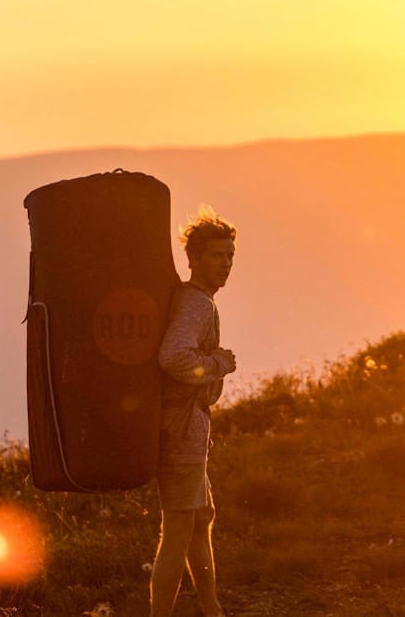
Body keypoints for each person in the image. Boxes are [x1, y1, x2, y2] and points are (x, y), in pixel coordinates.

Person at [150, 207, 237, 617]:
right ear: (195, 259)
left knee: (202, 517)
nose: (225, 264)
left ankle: (211, 608)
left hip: (188, 430)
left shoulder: (194, 300)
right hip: (180, 431)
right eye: (217, 256)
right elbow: (173, 358)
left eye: (229, 256)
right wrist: (220, 363)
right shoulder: (197, 305)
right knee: (178, 531)